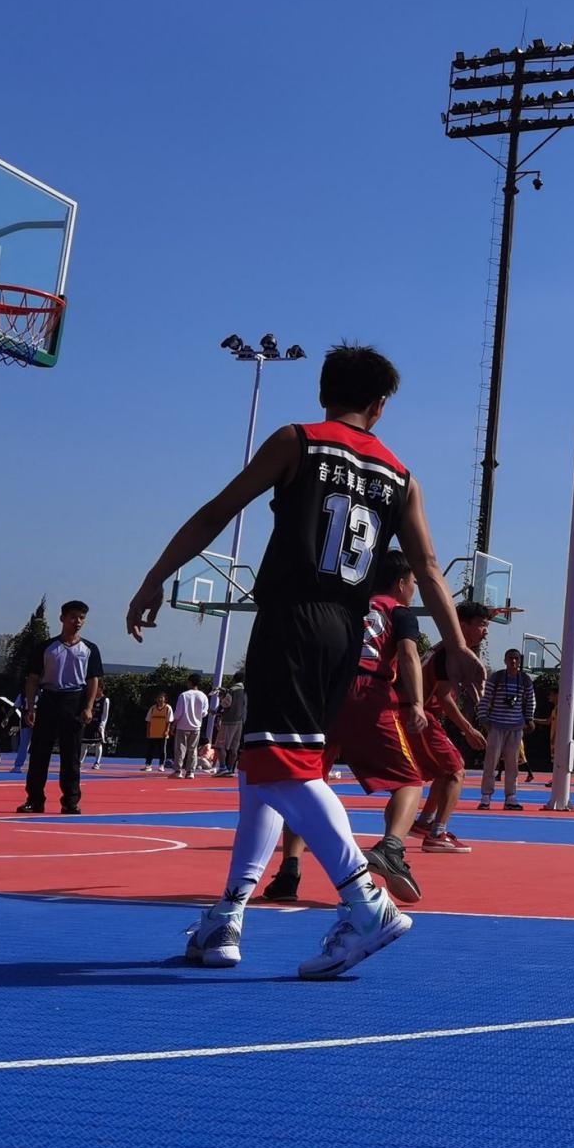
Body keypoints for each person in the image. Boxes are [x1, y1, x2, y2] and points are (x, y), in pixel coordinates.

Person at [126, 343, 481, 979]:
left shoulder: (298, 441)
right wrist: (455, 644)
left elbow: (217, 512)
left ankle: (365, 902)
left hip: (292, 620)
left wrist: (156, 577)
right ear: (380, 405)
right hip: (347, 631)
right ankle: (229, 912)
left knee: (281, 767)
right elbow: (428, 567)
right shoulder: (401, 476)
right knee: (263, 770)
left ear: (322, 392)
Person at [266, 551, 432, 906]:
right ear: (401, 583)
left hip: (324, 693)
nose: (414, 589)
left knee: (306, 783)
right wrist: (417, 702)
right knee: (409, 781)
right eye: (414, 583)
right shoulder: (399, 613)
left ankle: (289, 871)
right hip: (369, 693)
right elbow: (408, 655)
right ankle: (391, 848)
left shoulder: (346, 604)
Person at [412, 601, 490, 854]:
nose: (485, 631)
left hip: (421, 716)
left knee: (446, 770)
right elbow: (444, 697)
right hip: (421, 717)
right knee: (456, 771)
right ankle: (437, 833)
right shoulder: (449, 653)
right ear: (462, 626)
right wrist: (468, 729)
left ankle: (425, 822)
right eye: (481, 625)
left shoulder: (442, 649)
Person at [16, 602, 102, 813]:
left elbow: (93, 680)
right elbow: (33, 679)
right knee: (39, 753)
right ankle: (35, 799)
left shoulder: (90, 649)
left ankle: (70, 801)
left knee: (71, 755)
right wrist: (30, 707)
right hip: (49, 698)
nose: (77, 621)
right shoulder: (46, 647)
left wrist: (89, 706)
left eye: (81, 617)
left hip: (74, 701)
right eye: (73, 617)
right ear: (62, 618)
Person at [477, 650, 535, 810]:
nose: (513, 661)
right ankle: (486, 797)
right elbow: (485, 698)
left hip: (515, 727)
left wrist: (529, 718)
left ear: (520, 661)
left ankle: (511, 797)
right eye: (510, 658)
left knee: (512, 765)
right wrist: (483, 718)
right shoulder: (497, 678)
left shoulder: (525, 680)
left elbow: (531, 700)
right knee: (491, 763)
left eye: (516, 658)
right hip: (496, 726)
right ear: (505, 660)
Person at [172, 675, 209, 778]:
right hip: (196, 726)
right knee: (193, 749)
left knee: (180, 749)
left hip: (182, 726)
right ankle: (190, 772)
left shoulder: (183, 695)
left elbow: (178, 713)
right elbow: (204, 712)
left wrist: (173, 724)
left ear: (190, 682)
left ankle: (178, 771)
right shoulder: (203, 696)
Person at [212, 683, 248, 777]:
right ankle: (230, 769)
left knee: (220, 746)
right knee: (234, 748)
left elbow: (226, 704)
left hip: (228, 721)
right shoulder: (246, 690)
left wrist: (221, 697)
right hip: (240, 721)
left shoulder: (232, 690)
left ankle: (223, 768)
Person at [84, 689, 112, 770]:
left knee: (98, 743)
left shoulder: (105, 700)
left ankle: (97, 762)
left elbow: (105, 715)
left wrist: (102, 725)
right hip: (89, 723)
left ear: (101, 689)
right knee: (84, 743)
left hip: (98, 725)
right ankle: (80, 762)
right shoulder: (91, 698)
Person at [145, 692, 173, 771]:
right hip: (153, 733)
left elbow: (169, 721)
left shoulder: (168, 708)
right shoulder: (152, 708)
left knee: (162, 751)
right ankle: (148, 765)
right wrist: (148, 731)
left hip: (162, 733)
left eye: (161, 697)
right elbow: (148, 721)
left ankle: (161, 765)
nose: (160, 699)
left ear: (165, 699)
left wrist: (167, 731)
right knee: (150, 750)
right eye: (158, 698)